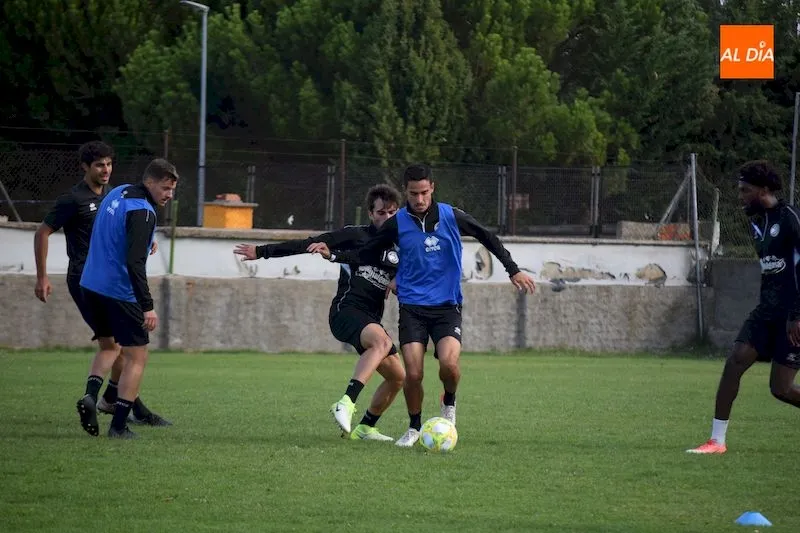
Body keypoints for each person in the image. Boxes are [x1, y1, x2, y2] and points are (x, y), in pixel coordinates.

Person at [308, 163, 536, 447]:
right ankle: (415, 427)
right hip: (412, 308)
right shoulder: (397, 222)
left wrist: (512, 269)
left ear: (432, 188)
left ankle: (449, 403)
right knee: (413, 374)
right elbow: (366, 252)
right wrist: (333, 257)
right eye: (414, 193)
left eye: (424, 192)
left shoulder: (452, 216)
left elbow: (487, 237)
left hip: (446, 306)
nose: (419, 199)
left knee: (449, 365)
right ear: (407, 191)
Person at [234, 185, 407, 441]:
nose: (387, 218)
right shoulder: (355, 235)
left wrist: (400, 278)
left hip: (371, 319)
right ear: (371, 214)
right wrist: (262, 252)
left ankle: (366, 427)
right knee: (381, 341)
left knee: (398, 377)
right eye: (381, 213)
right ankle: (346, 402)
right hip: (346, 311)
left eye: (392, 213)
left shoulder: (402, 246)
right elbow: (307, 244)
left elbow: (416, 271)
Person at [33, 141, 169, 437]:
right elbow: (42, 231)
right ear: (85, 167)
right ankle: (116, 407)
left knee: (117, 347)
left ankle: (105, 400)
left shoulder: (115, 196)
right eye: (99, 165)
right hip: (92, 280)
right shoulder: (74, 199)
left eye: (109, 164)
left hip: (99, 279)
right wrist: (42, 276)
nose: (106, 170)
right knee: (125, 348)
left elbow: (125, 237)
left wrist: (144, 240)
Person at [687, 160, 800, 454]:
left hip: (793, 314)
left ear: (763, 190)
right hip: (766, 311)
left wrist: (797, 314)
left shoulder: (789, 218)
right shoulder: (756, 222)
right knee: (735, 360)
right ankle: (717, 441)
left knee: (781, 389)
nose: (739, 196)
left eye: (744, 190)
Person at [78, 158, 178, 439]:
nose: (169, 195)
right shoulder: (144, 212)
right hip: (118, 292)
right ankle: (119, 426)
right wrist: (147, 306)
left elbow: (109, 232)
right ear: (150, 182)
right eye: (165, 188)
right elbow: (135, 263)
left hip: (90, 285)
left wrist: (145, 240)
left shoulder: (117, 192)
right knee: (137, 357)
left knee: (111, 348)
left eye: (172, 190)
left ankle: (94, 395)